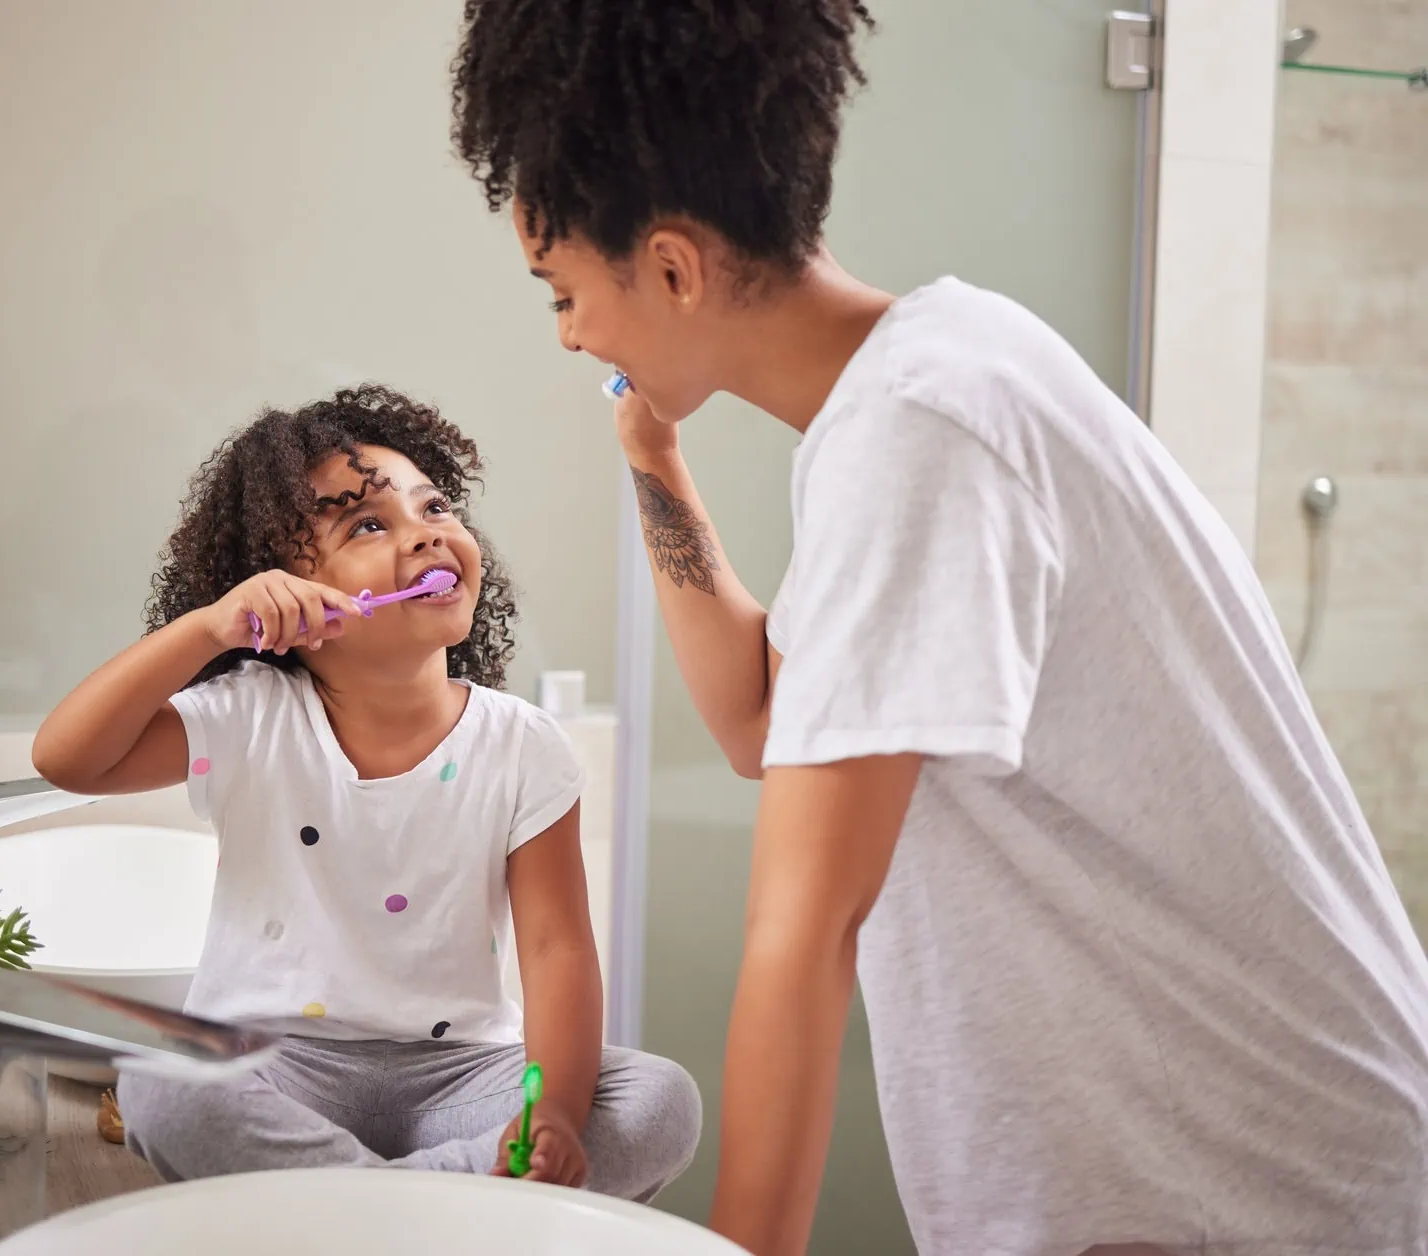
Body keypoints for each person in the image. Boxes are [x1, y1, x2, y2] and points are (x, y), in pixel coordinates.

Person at [448, 2, 1428, 1254]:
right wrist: (652, 450)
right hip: (1227, 1143)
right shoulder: (937, 374)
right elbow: (759, 715)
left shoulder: (920, 436)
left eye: (565, 292)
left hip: (1238, 1174)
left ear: (675, 267)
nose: (575, 333)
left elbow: (803, 928)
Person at [32, 384, 701, 1201]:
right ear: (285, 587)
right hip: (273, 1063)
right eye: (370, 524)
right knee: (162, 1085)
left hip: (462, 1078)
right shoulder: (250, 716)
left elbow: (559, 950)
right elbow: (70, 758)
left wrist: (550, 1109)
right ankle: (435, 1210)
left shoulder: (523, 745)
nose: (426, 533)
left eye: (435, 506)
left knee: (659, 1099)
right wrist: (208, 629)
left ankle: (354, 1210)